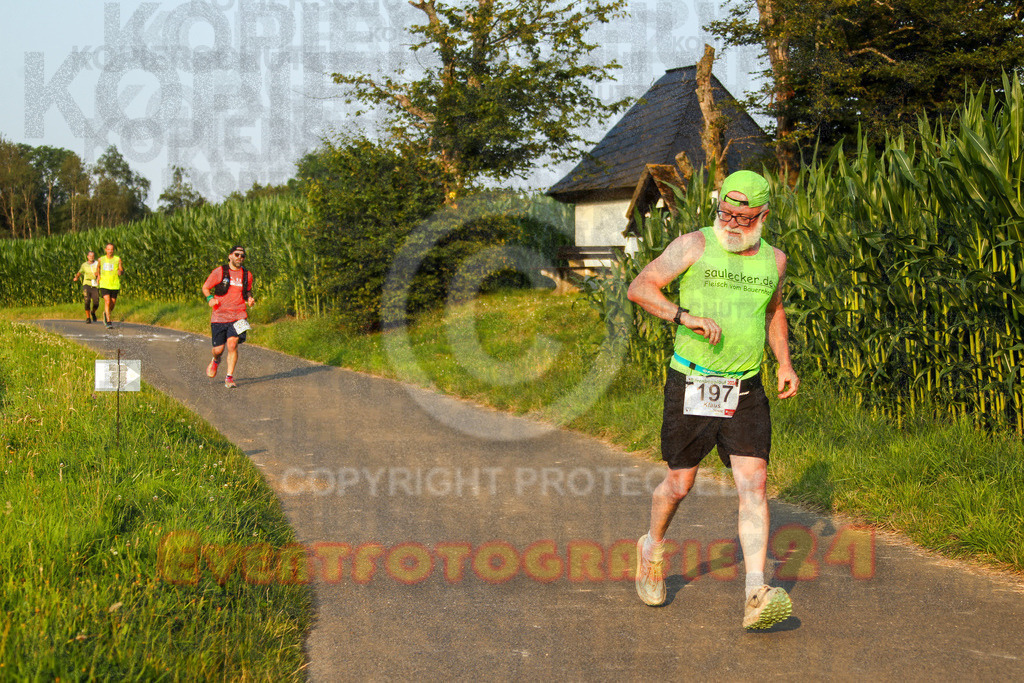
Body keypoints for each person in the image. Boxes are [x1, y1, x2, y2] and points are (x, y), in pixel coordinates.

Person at [626, 170, 800, 630]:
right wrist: (685, 316)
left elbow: (773, 310)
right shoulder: (694, 244)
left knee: (754, 484)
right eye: (726, 212)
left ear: (762, 215)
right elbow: (640, 287)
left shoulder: (774, 259)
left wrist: (784, 362)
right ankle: (652, 547)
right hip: (693, 383)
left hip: (745, 386)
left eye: (743, 217)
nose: (733, 223)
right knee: (679, 485)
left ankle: (755, 590)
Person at [201, 245, 255, 389]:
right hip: (219, 316)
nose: (240, 258)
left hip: (239, 315)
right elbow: (205, 287)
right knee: (218, 349)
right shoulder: (220, 271)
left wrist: (249, 298)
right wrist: (210, 299)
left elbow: (247, 291)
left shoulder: (247, 275)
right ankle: (215, 360)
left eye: (242, 256)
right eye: (237, 255)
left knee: (233, 344)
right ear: (230, 256)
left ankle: (229, 377)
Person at [97, 242, 124, 329]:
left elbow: (121, 269)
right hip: (104, 283)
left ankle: (106, 313)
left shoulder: (117, 259)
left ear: (113, 250)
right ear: (106, 250)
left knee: (112, 303)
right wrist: (98, 276)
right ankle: (108, 321)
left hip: (114, 284)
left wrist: (120, 272)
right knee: (107, 301)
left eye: (111, 249)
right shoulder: (101, 259)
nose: (110, 251)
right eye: (108, 249)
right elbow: (98, 267)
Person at [72, 250, 100, 323]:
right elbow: (80, 272)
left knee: (96, 302)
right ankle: (88, 318)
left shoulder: (97, 264)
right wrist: (76, 277)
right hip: (86, 284)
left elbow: (100, 272)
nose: (91, 257)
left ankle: (93, 312)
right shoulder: (84, 265)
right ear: (87, 257)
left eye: (93, 256)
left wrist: (98, 274)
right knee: (87, 300)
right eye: (90, 256)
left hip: (95, 284)